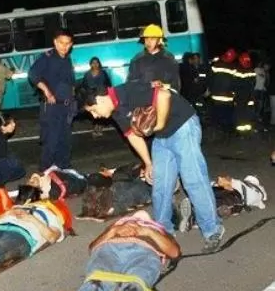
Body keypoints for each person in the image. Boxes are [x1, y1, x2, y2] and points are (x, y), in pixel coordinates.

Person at [79, 83, 225, 252]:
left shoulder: (129, 91)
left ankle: (212, 230)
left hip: (182, 126)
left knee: (193, 180)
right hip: (162, 138)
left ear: (100, 99)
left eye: (93, 110)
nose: (94, 116)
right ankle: (162, 232)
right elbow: (133, 136)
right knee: (160, 185)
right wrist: (148, 163)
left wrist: (159, 126)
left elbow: (164, 95)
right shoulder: (116, 112)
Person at [55, 210, 181, 291]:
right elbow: (92, 248)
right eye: (130, 221)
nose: (135, 221)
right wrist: (114, 230)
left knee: (137, 279)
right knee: (99, 274)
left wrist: (147, 231)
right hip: (111, 248)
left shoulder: (156, 231)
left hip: (144, 252)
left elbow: (174, 252)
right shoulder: (115, 229)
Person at [28, 30, 77, 171]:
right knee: (51, 141)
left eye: (68, 44)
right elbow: (32, 74)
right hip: (52, 107)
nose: (64, 46)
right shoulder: (47, 57)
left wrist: (73, 102)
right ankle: (45, 171)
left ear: (71, 45)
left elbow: (70, 83)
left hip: (66, 107)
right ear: (55, 42)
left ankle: (64, 170)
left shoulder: (67, 59)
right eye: (61, 43)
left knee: (65, 141)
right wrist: (47, 91)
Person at [177, 174, 267, 232]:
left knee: (211, 197)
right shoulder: (258, 195)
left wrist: (215, 183)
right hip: (236, 197)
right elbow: (262, 205)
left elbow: (224, 180)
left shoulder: (241, 183)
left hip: (227, 192)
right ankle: (195, 218)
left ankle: (193, 207)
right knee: (223, 207)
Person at [127, 24, 180, 91]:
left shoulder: (169, 59)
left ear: (159, 41)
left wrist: (166, 86)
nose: (148, 42)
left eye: (152, 39)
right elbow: (130, 85)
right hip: (144, 99)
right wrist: (149, 85)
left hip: (164, 98)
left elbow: (176, 85)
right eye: (146, 39)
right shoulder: (137, 60)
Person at [209, 48, 239, 133]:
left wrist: (210, 90)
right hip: (227, 97)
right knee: (227, 115)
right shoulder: (233, 67)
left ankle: (218, 130)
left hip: (216, 96)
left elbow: (210, 78)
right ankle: (227, 131)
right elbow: (234, 82)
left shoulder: (216, 65)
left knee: (217, 114)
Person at [80, 57, 111, 137]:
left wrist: (108, 94)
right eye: (93, 63)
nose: (95, 64)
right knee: (94, 113)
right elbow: (83, 86)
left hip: (101, 95)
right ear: (90, 64)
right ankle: (95, 127)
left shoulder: (103, 73)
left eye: (97, 62)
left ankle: (99, 128)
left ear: (99, 63)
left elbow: (108, 84)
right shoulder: (87, 74)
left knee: (101, 112)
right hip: (91, 96)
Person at [234, 52, 256, 134]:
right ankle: (247, 130)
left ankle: (241, 132)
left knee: (241, 113)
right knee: (247, 113)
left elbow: (235, 83)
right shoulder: (251, 69)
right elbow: (253, 82)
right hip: (249, 95)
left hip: (241, 96)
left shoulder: (238, 70)